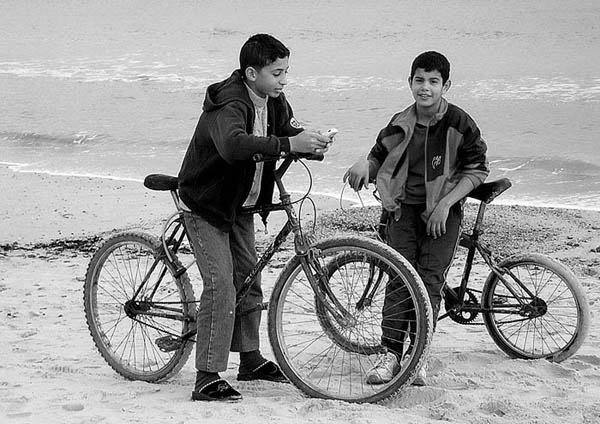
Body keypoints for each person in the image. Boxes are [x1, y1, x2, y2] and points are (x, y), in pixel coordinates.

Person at [178, 34, 332, 402]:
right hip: (205, 204)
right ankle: (206, 376)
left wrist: (311, 143)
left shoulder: (273, 100)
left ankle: (250, 359)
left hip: (240, 205)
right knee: (221, 285)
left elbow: (286, 133)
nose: (283, 80)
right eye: (277, 73)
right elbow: (233, 145)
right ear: (251, 73)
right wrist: (287, 145)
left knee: (249, 278)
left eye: (286, 72)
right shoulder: (229, 102)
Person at [343, 51, 489, 386]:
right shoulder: (401, 121)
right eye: (419, 80)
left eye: (433, 82)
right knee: (398, 279)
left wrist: (445, 205)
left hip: (443, 213)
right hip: (402, 211)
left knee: (429, 282)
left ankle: (417, 354)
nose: (425, 88)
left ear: (445, 85)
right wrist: (365, 165)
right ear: (410, 83)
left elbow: (476, 169)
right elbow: (379, 154)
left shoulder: (459, 122)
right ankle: (390, 354)